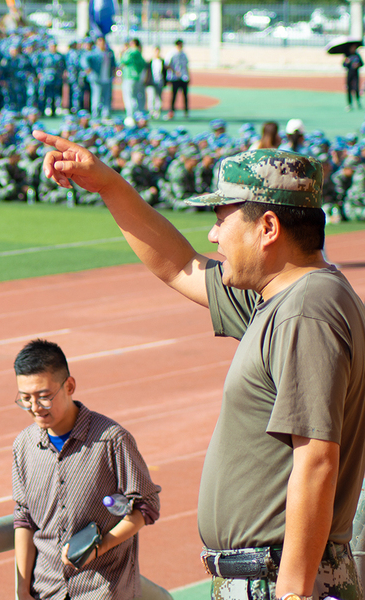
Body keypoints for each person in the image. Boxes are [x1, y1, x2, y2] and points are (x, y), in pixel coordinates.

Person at [33, 130, 365, 600]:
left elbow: (316, 460)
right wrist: (107, 184)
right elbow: (179, 266)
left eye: (221, 219)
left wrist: (292, 591)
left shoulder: (305, 311)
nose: (212, 235)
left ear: (268, 227)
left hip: (278, 579)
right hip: (261, 576)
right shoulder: (282, 298)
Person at [12, 339, 161, 600]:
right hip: (47, 591)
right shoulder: (23, 445)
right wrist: (22, 590)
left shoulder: (112, 440)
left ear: (69, 386)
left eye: (44, 397)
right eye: (25, 399)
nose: (35, 408)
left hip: (103, 591)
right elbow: (24, 519)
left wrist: (100, 547)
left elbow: (146, 505)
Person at [82, 37, 116, 120]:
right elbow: (84, 60)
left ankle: (106, 115)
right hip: (96, 78)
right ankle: (95, 115)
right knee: (96, 97)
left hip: (107, 78)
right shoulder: (94, 53)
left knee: (107, 98)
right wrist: (87, 68)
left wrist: (114, 71)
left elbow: (113, 63)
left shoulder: (109, 53)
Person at [119, 39, 147, 125]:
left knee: (129, 97)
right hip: (137, 77)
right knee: (136, 96)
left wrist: (123, 52)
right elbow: (143, 64)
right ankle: (138, 115)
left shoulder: (131, 52)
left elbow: (123, 61)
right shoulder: (139, 53)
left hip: (129, 77)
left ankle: (131, 116)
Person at [166, 40, 189, 120]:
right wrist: (174, 71)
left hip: (183, 77)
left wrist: (188, 75)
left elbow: (186, 65)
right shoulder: (171, 54)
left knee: (185, 95)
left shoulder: (184, 54)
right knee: (174, 95)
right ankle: (172, 111)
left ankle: (186, 111)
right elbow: (167, 64)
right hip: (174, 78)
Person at [343, 43, 363, 111]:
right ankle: (349, 104)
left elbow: (362, 63)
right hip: (349, 74)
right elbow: (344, 65)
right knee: (349, 88)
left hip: (356, 74)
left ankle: (358, 102)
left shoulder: (357, 55)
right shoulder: (347, 55)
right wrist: (347, 62)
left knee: (356, 88)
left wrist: (358, 65)